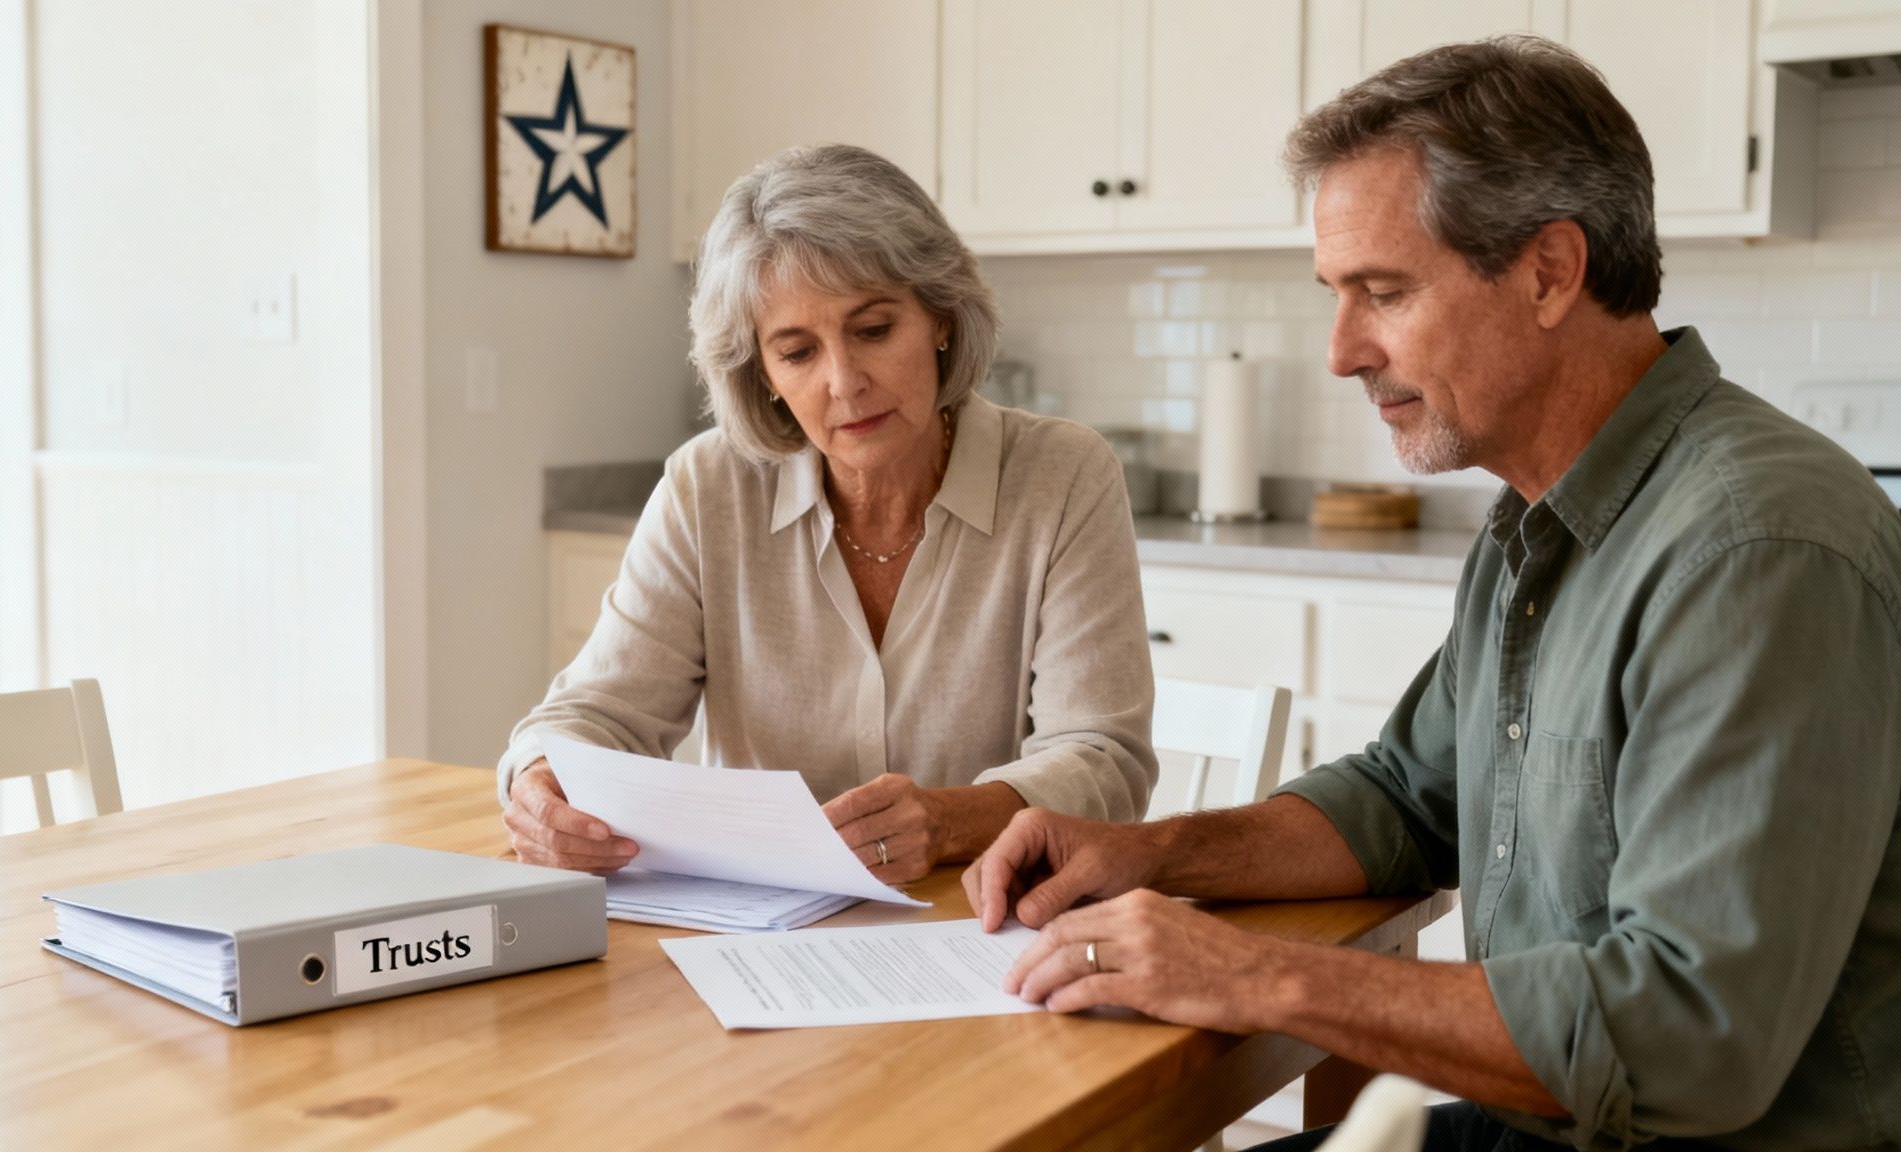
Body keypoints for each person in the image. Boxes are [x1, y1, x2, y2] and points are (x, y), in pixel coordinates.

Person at [965, 36, 1901, 1152]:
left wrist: (1256, 975)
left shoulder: (1753, 553)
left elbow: (1689, 1037)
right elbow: (1403, 798)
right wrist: (1152, 853)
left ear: (1549, 271)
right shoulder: (1534, 519)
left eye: (1383, 292)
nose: (1340, 351)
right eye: (1335, 295)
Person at [500, 144, 1157, 885]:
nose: (844, 382)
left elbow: (1105, 761)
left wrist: (947, 822)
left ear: (940, 316)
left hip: (985, 924)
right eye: (797, 351)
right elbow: (598, 713)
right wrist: (542, 784)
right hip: (758, 939)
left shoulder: (1063, 475)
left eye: (874, 330)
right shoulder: (708, 487)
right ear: (764, 374)